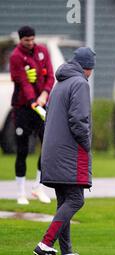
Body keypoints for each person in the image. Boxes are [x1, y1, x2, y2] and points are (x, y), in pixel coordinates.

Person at [33, 47, 96, 255]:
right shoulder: (79, 83)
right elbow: (79, 120)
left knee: (64, 201)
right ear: (88, 68)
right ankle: (45, 244)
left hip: (52, 151)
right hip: (69, 152)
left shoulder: (60, 82)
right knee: (76, 199)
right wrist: (87, 144)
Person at [9, 26, 54, 205]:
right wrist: (32, 101)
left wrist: (44, 95)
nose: (30, 43)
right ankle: (21, 192)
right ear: (20, 40)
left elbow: (50, 76)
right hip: (23, 108)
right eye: (26, 40)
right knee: (22, 150)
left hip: (41, 105)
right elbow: (23, 82)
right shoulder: (16, 57)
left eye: (32, 39)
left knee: (47, 147)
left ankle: (38, 187)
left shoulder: (42, 51)